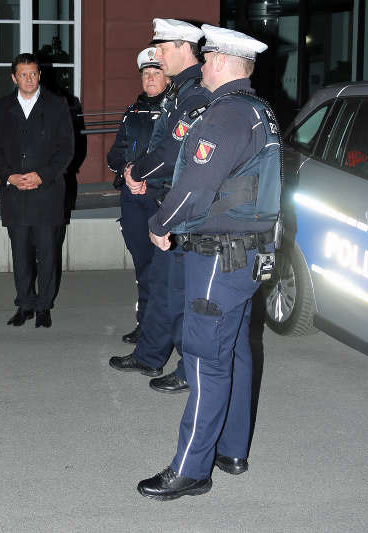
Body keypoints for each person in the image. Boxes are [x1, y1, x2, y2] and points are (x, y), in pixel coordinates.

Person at [137, 25, 279, 500]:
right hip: (245, 253)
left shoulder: (226, 116)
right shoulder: (259, 111)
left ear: (220, 61)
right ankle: (231, 449)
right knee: (235, 349)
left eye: (208, 54)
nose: (204, 61)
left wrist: (161, 223)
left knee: (204, 362)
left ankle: (191, 469)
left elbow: (195, 184)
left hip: (220, 254)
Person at [108, 19, 211, 394]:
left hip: (185, 204)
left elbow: (174, 151)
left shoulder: (195, 93)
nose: (158, 58)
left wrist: (138, 171)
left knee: (183, 291)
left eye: (163, 50)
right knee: (164, 286)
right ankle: (150, 354)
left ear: (184, 47)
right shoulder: (180, 90)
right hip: (167, 200)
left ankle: (187, 367)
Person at [0, 53, 74, 328]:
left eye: (33, 74)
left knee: (48, 253)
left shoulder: (58, 105)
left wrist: (42, 176)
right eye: (23, 74)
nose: (29, 79)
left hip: (46, 193)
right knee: (20, 253)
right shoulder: (3, 107)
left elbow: (66, 149)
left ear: (40, 75)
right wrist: (9, 176)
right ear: (14, 77)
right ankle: (24, 304)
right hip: (15, 193)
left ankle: (44, 306)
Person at [107, 47, 169, 344]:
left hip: (160, 198)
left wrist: (146, 179)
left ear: (167, 77)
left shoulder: (175, 112)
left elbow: (175, 159)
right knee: (142, 266)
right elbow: (115, 154)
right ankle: (144, 324)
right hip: (132, 199)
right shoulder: (132, 113)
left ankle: (163, 328)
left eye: (156, 73)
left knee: (164, 269)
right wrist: (128, 172)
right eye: (146, 74)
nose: (151, 79)